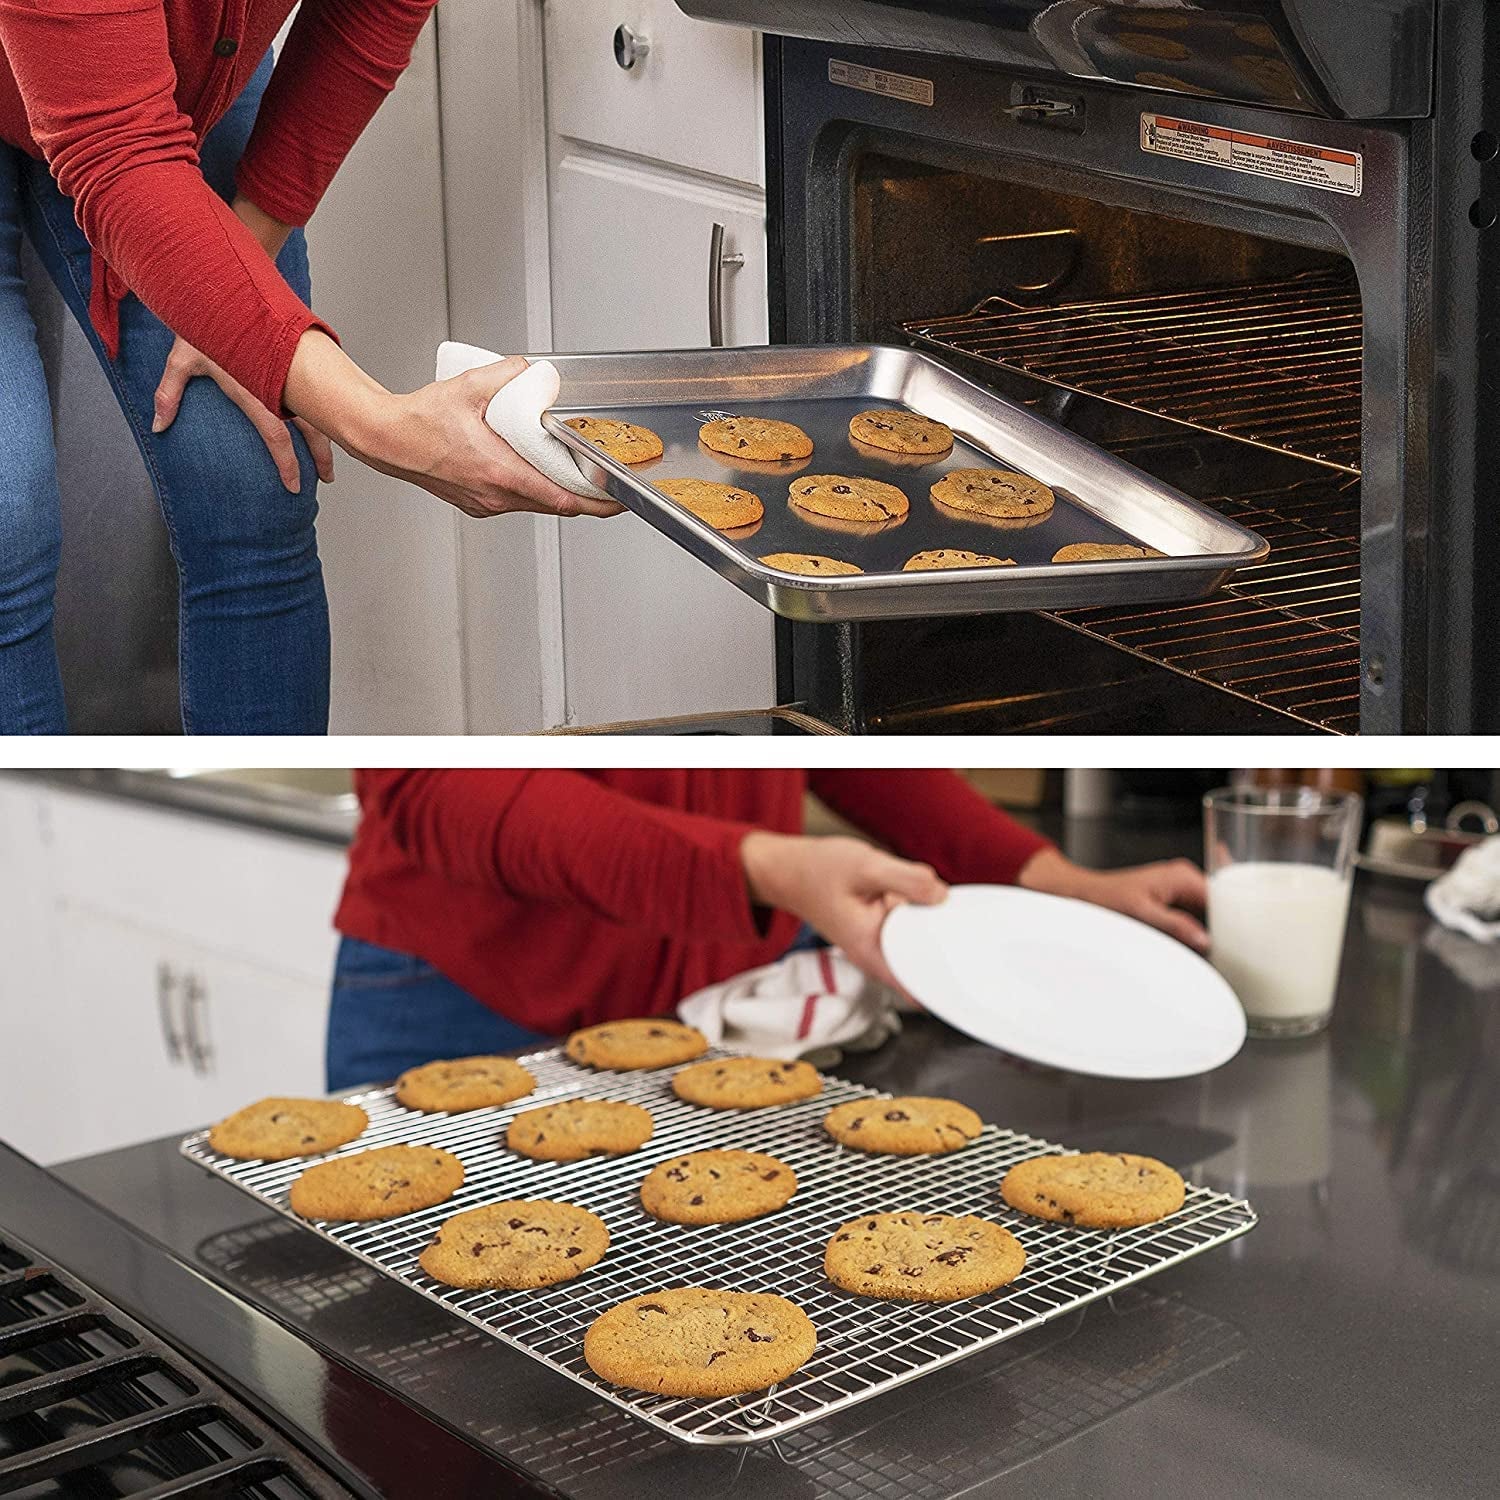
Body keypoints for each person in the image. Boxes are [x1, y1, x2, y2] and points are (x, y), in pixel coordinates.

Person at [0, 3, 607, 734]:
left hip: (159, 67)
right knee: (6, 525)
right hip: (107, 113)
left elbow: (371, 13)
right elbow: (117, 156)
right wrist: (380, 425)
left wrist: (243, 296)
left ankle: (256, 840)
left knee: (253, 491)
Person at [327, 769, 1209, 1090]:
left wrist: (1048, 880)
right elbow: (438, 789)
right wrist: (766, 869)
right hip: (471, 989)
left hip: (715, 994)